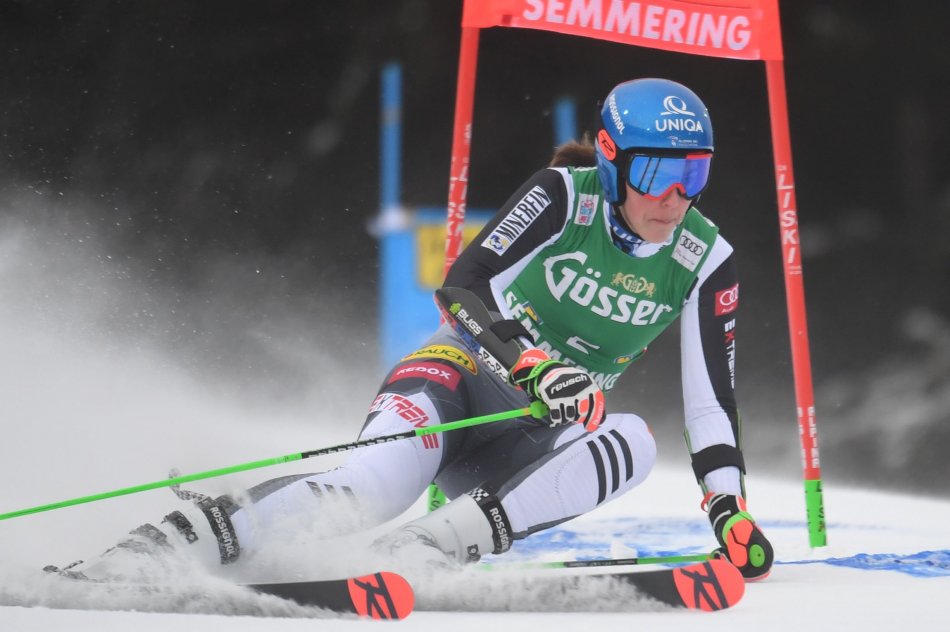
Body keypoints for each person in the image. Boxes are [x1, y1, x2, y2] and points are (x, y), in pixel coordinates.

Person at [53, 78, 772, 584]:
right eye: (658, 171)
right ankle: (160, 548)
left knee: (633, 439)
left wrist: (727, 508)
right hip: (458, 382)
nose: (675, 196)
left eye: (693, 174)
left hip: (526, 446)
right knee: (368, 489)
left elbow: (711, 402)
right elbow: (462, 285)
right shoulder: (564, 197)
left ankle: (423, 549)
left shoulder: (705, 258)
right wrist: (532, 362)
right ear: (611, 159)